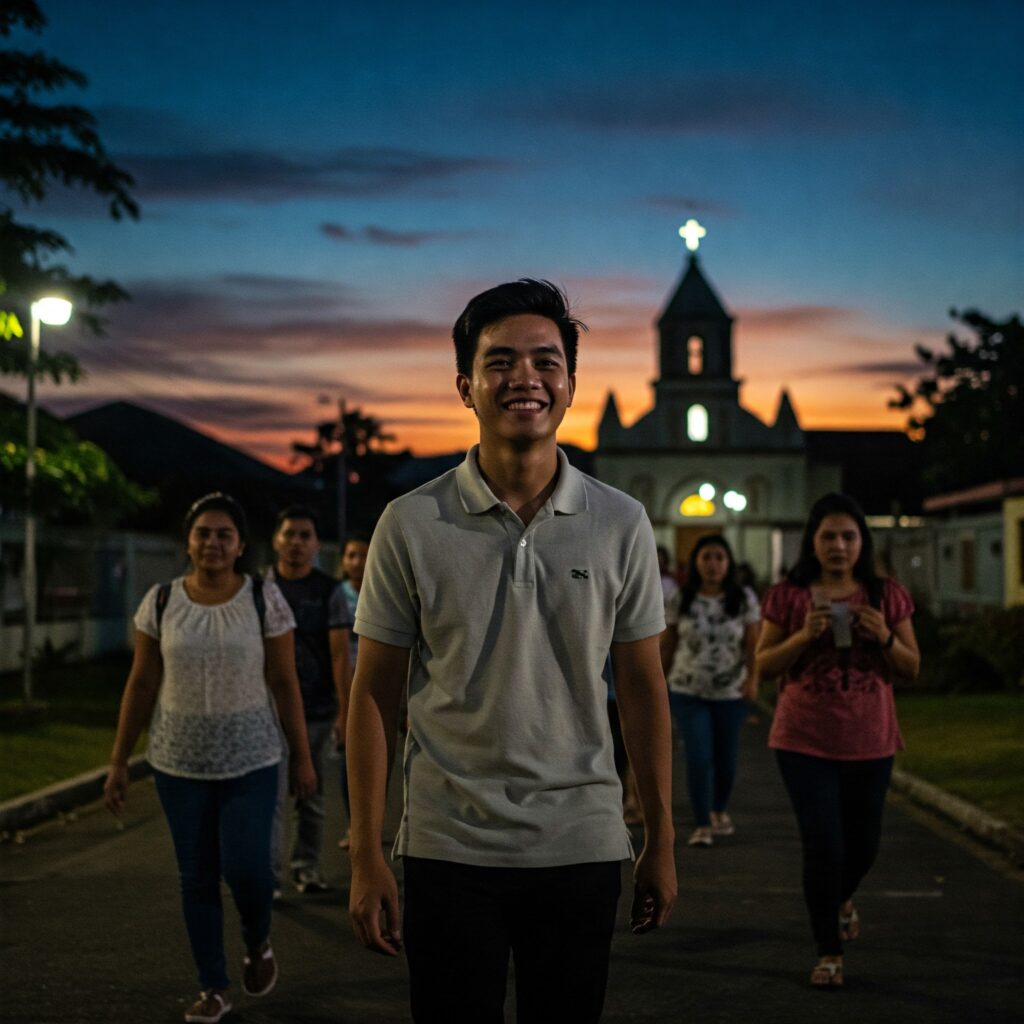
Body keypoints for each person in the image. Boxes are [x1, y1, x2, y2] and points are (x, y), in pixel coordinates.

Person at [346, 279, 676, 1024]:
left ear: (569, 383)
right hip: (447, 847)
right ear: (465, 386)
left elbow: (644, 688)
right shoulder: (410, 522)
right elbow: (373, 695)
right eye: (499, 363)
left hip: (581, 842)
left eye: (544, 361)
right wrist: (366, 852)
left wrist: (659, 835)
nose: (523, 377)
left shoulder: (620, 521)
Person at [103, 492, 317, 1024]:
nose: (213, 543)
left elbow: (284, 681)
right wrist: (118, 761)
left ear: (241, 544)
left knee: (248, 870)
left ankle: (257, 938)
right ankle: (213, 986)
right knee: (195, 877)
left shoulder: (263, 598)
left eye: (224, 534)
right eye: (203, 533)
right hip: (177, 764)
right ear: (188, 541)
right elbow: (143, 681)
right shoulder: (159, 601)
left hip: (252, 758)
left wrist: (303, 757)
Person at [755, 493, 919, 989]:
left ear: (862, 542)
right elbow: (763, 666)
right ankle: (828, 950)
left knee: (863, 846)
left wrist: (885, 636)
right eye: (828, 536)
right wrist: (804, 635)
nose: (839, 546)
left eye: (849, 536)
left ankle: (840, 898)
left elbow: (912, 667)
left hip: (871, 739)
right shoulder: (789, 594)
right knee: (823, 844)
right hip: (803, 740)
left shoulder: (885, 594)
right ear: (813, 541)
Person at [267, 506, 353, 893]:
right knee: (268, 798)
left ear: (317, 545)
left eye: (305, 536)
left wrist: (343, 711)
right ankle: (266, 873)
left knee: (311, 792)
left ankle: (306, 866)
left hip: (316, 709)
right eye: (290, 535)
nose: (297, 543)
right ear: (276, 541)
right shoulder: (259, 588)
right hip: (266, 711)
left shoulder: (328, 591)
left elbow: (339, 653)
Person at [660, 534, 759, 847]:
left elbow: (753, 645)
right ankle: (702, 822)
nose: (713, 564)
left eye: (719, 557)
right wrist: (656, 683)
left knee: (726, 758)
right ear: (695, 563)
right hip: (688, 690)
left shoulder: (743, 598)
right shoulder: (682, 598)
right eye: (706, 557)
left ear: (728, 563)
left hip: (730, 692)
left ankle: (718, 809)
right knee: (698, 755)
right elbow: (668, 644)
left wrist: (753, 679)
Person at [335, 532, 370, 850]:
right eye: (351, 555)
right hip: (350, 681)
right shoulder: (339, 596)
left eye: (363, 555)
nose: (357, 562)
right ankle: (356, 826)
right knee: (353, 757)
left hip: (382, 682)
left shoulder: (380, 588)